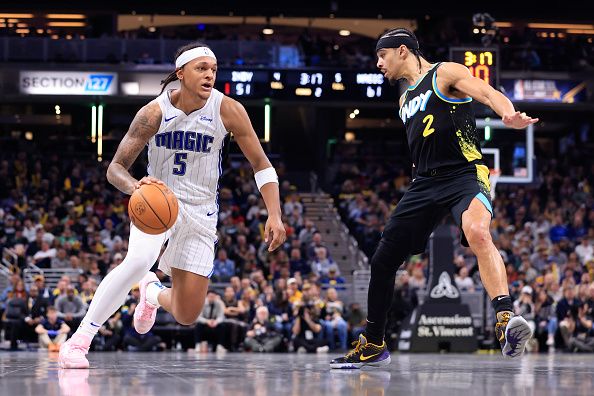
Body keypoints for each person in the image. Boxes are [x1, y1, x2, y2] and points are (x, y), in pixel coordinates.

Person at [59, 42, 286, 368]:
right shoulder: (154, 112)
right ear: (181, 73)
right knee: (138, 260)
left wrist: (275, 214)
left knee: (186, 314)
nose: (210, 75)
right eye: (201, 68)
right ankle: (79, 341)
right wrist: (136, 187)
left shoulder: (228, 110)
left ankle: (150, 293)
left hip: (201, 211)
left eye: (213, 69)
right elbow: (115, 169)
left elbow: (261, 164)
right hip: (157, 201)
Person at [331, 28, 537, 369]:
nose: (379, 64)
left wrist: (507, 113)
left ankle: (505, 319)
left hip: (465, 173)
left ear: (402, 51)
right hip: (424, 183)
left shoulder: (445, 72)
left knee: (478, 232)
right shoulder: (402, 99)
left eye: (381, 57)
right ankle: (373, 343)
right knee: (383, 261)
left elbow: (486, 92)